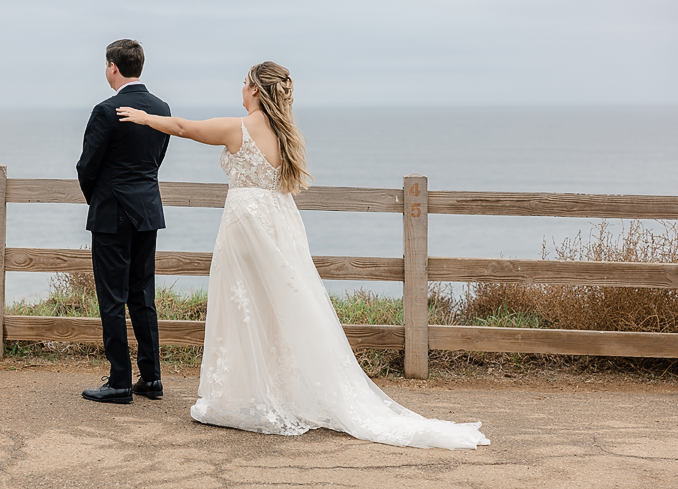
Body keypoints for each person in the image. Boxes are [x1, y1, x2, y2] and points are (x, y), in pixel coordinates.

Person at [116, 61, 490, 449]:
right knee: (280, 305)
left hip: (245, 224)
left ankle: (248, 396)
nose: (240, 90)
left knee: (243, 305)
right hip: (279, 223)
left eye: (244, 84)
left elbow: (182, 128)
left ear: (257, 91)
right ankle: (277, 391)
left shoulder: (237, 128)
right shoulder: (286, 134)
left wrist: (144, 118)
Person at [76, 39, 171, 404]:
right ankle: (151, 379)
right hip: (147, 210)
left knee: (112, 297)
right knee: (143, 296)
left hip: (112, 214)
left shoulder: (106, 110)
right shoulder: (160, 108)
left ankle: (118, 382)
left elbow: (87, 166)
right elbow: (156, 159)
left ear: (113, 67)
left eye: (105, 65)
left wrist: (100, 199)